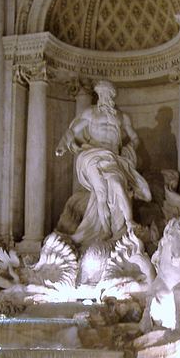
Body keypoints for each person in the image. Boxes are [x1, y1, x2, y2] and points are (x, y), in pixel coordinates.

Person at [55, 80, 151, 246]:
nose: (103, 97)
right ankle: (106, 230)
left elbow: (135, 138)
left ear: (112, 95)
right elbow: (72, 131)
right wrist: (62, 144)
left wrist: (129, 149)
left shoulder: (122, 117)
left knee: (117, 184)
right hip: (92, 154)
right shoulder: (90, 113)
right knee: (100, 192)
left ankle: (129, 222)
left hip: (112, 157)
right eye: (101, 93)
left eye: (106, 93)